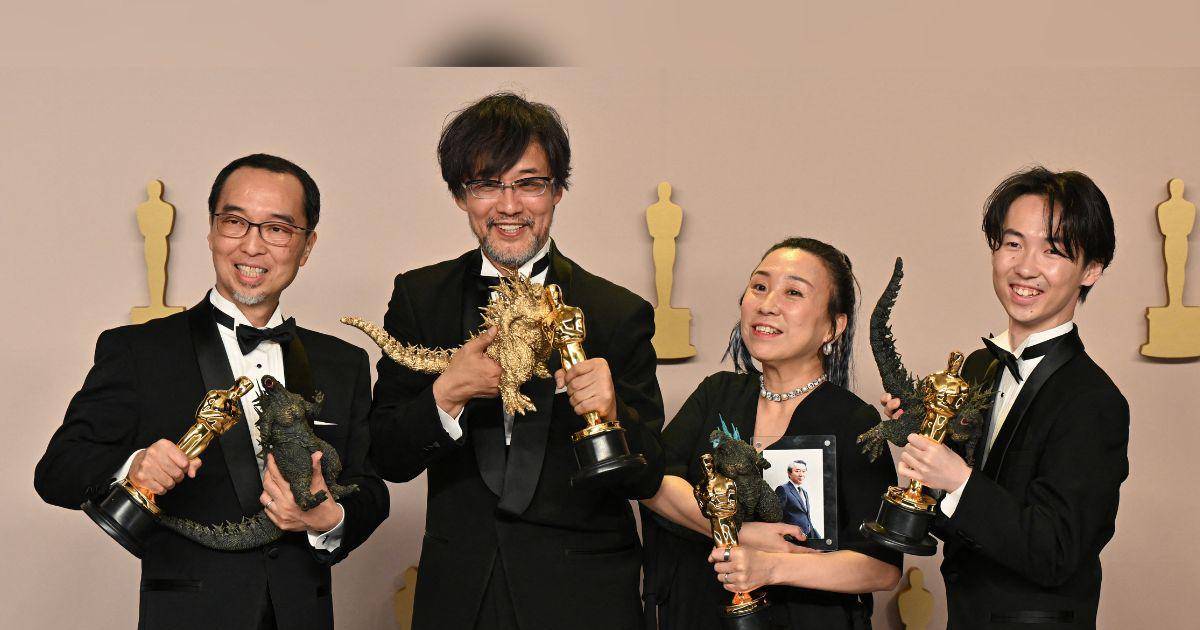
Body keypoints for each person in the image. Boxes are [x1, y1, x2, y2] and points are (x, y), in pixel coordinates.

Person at [34, 154, 389, 630]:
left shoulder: (344, 363)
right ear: (211, 230)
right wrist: (133, 465)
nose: (252, 245)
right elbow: (56, 471)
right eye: (235, 222)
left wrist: (329, 518)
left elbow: (370, 489)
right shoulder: (138, 350)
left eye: (277, 229)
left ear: (306, 246)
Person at [367, 92, 665, 630]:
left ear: (557, 190)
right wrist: (448, 393)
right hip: (460, 595)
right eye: (487, 184)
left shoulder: (617, 312)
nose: (509, 206)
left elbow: (648, 476)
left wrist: (615, 414)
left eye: (529, 183)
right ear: (461, 195)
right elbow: (387, 456)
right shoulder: (420, 297)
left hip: (585, 597)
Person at [882, 166, 1129, 628]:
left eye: (1052, 250)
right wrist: (921, 450)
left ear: (1091, 269)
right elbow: (968, 523)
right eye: (1013, 244)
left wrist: (957, 479)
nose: (1025, 267)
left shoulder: (1094, 400)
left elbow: (1057, 552)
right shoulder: (978, 368)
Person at [642, 237, 901, 629]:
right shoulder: (718, 394)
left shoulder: (853, 421)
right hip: (698, 613)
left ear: (833, 326)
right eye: (759, 286)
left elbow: (881, 568)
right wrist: (742, 533)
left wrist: (771, 566)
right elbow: (653, 482)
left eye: (793, 292)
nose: (767, 304)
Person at [775, 460, 820, 540]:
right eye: (797, 471)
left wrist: (814, 534)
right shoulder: (783, 489)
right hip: (792, 538)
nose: (801, 474)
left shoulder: (804, 492)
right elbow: (776, 516)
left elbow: (806, 516)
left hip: (808, 536)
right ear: (789, 473)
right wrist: (787, 536)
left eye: (803, 471)